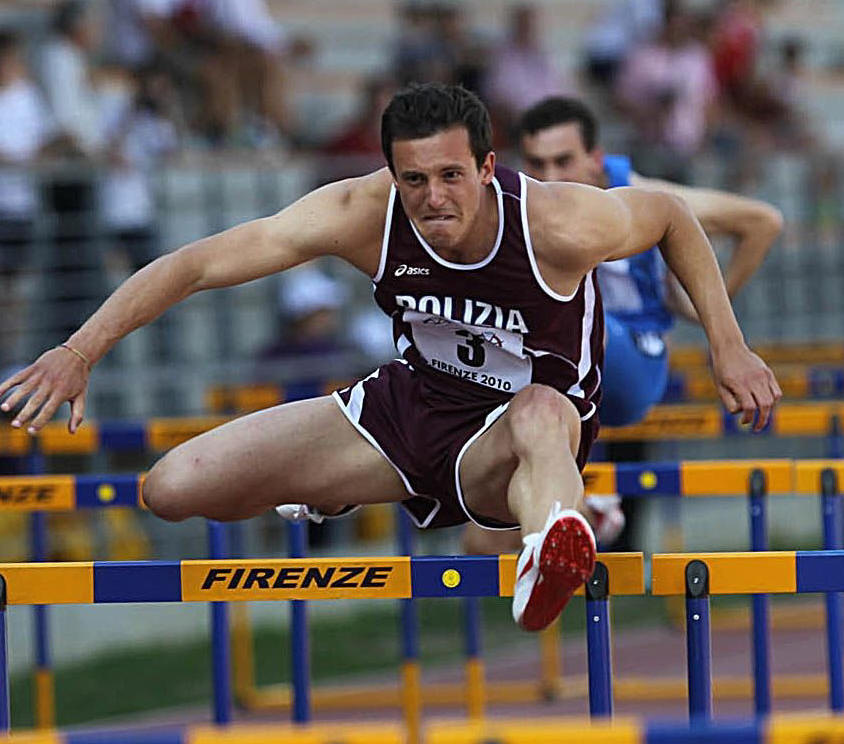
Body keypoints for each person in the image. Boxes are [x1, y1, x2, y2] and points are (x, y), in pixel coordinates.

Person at [0, 83, 780, 633]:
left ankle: (553, 540)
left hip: (512, 435)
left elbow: (674, 217)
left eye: (450, 177)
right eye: (413, 180)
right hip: (405, 410)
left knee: (544, 409)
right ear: (388, 174)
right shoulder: (362, 213)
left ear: (485, 167)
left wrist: (728, 345)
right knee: (169, 489)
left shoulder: (557, 223)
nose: (433, 198)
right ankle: (336, 491)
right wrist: (80, 349)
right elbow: (198, 263)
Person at [463, 94, 783, 555]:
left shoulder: (637, 194)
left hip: (630, 357)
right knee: (479, 543)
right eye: (537, 164)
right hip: (559, 378)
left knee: (557, 312)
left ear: (595, 159)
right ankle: (582, 509)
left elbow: (762, 221)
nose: (550, 178)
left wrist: (704, 316)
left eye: (563, 161)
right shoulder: (523, 203)